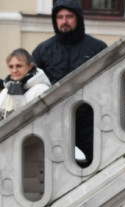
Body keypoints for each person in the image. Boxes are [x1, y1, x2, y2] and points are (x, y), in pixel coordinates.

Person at [31, 0, 106, 164]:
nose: (64, 21)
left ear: (78, 18)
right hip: (53, 120)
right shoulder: (42, 51)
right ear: (55, 20)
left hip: (89, 120)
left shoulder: (97, 48)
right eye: (60, 17)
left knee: (98, 162)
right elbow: (32, 84)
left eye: (69, 16)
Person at [0, 49, 50, 121]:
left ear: (30, 66)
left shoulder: (41, 90)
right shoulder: (5, 91)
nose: (14, 70)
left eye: (19, 66)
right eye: (11, 67)